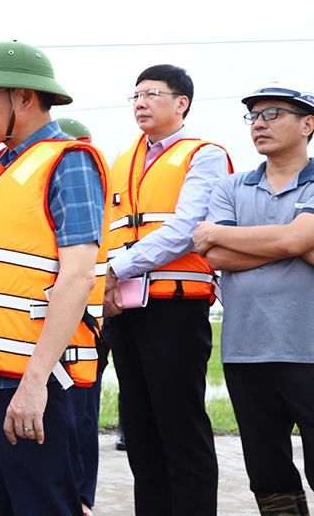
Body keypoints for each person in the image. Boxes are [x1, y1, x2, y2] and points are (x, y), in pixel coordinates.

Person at [0, 41, 110, 515]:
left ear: (26, 98)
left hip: (41, 383)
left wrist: (34, 383)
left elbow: (77, 278)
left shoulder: (69, 162)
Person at [102, 64, 230, 515]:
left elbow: (186, 228)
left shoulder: (205, 154)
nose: (140, 102)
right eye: (135, 95)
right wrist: (106, 279)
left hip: (174, 309)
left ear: (182, 103)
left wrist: (114, 269)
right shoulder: (122, 160)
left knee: (180, 427)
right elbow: (107, 232)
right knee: (139, 428)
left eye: (152, 94)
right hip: (126, 307)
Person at [193, 85, 314, 516]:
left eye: (272, 113)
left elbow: (298, 237)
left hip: (308, 349)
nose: (259, 123)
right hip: (246, 350)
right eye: (254, 117)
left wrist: (224, 234)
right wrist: (291, 242)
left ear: (307, 124)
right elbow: (214, 255)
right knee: (266, 470)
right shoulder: (231, 186)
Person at [57, 116, 104, 515]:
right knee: (68, 423)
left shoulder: (83, 183)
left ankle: (82, 501)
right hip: (52, 326)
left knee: (81, 421)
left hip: (83, 329)